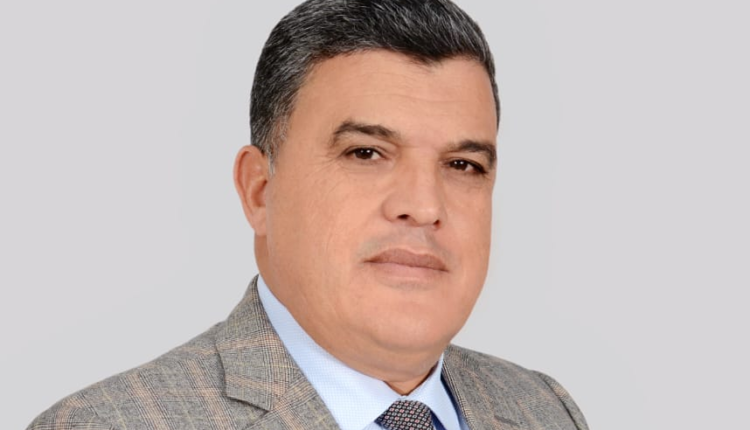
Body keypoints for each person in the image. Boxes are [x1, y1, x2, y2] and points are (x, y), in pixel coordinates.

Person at [27, 1, 588, 429]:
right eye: (365, 153)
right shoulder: (109, 423)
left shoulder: (545, 409)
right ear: (259, 190)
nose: (424, 206)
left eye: (463, 165)